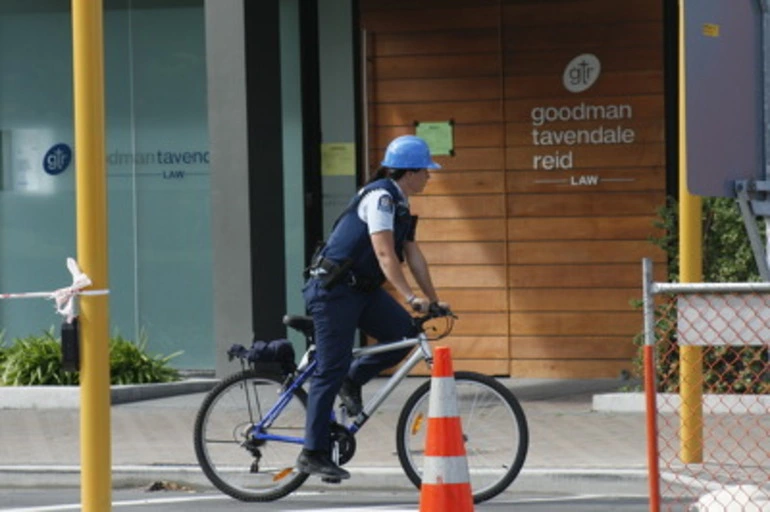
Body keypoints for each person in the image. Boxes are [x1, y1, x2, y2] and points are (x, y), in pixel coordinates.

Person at [296, 135, 448, 480]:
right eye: (426, 170)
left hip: (361, 292)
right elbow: (384, 254)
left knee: (406, 333)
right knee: (330, 367)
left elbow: (412, 255)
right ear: (410, 171)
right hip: (333, 292)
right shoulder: (380, 198)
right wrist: (411, 298)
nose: (429, 176)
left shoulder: (402, 204)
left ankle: (354, 380)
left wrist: (433, 299)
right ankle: (313, 452)